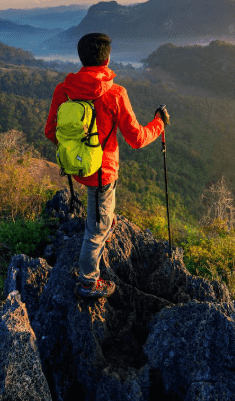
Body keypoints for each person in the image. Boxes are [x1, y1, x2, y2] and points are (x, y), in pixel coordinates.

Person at [45, 33, 170, 299]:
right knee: (95, 229)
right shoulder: (115, 93)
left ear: (81, 58)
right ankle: (89, 283)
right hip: (103, 172)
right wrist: (159, 124)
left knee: (100, 214)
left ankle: (105, 223)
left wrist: (77, 148)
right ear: (108, 59)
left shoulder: (64, 90)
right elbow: (136, 139)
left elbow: (51, 131)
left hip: (78, 168)